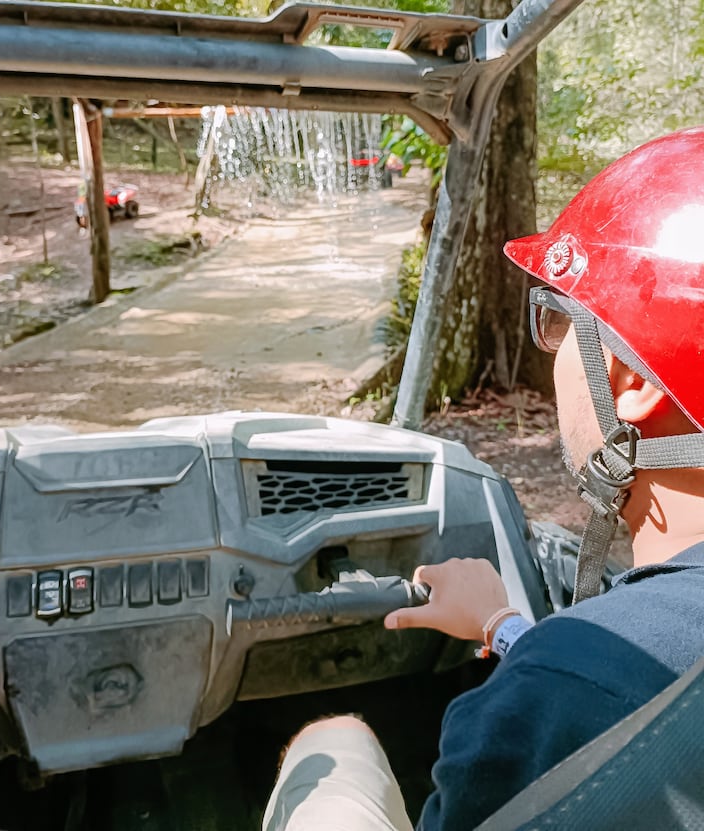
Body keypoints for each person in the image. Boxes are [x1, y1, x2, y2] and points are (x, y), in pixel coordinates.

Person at [262, 125, 704, 830]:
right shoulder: (593, 672)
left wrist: (538, 658)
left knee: (333, 738)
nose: (551, 352)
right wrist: (505, 624)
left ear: (628, 380)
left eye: (560, 324)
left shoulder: (546, 698)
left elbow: (596, 686)